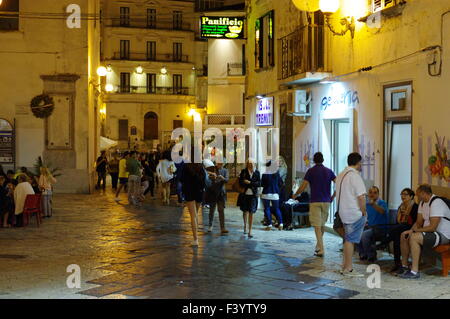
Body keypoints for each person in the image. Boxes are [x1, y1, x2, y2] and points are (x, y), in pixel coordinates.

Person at [398, 184, 450, 279]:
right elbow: (418, 222)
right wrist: (411, 230)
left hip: (444, 235)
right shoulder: (422, 203)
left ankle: (414, 271)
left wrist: (416, 231)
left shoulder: (436, 202)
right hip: (431, 233)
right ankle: (404, 266)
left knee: (414, 237)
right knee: (404, 235)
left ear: (423, 193)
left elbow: (433, 227)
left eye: (418, 194)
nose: (417, 196)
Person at [293, 152, 336, 257]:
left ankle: (321, 249)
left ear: (314, 160)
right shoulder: (329, 171)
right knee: (321, 225)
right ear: (323, 160)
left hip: (315, 201)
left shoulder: (311, 171)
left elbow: (303, 186)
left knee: (317, 226)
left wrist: (295, 195)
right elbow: (338, 183)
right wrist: (333, 196)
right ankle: (318, 246)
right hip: (326, 201)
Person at [335, 152, 367, 277]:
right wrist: (363, 211)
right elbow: (361, 197)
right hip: (354, 213)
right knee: (350, 240)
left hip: (343, 212)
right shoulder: (355, 176)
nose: (361, 165)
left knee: (347, 239)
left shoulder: (341, 174)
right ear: (358, 163)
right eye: (361, 163)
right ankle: (348, 268)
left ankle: (345, 265)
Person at [378, 188, 418, 273]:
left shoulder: (415, 207)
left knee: (396, 230)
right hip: (401, 228)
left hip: (411, 228)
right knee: (396, 238)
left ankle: (384, 243)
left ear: (411, 196)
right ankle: (398, 264)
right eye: (402, 194)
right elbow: (398, 221)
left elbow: (415, 222)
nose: (403, 196)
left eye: (405, 194)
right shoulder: (401, 206)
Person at [358, 186, 389, 262]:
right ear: (368, 194)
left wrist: (374, 205)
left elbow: (382, 211)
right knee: (357, 231)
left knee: (365, 235)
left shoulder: (382, 203)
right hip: (370, 227)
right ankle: (363, 253)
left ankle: (371, 255)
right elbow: (364, 216)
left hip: (380, 229)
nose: (372, 194)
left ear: (378, 194)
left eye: (375, 193)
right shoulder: (367, 204)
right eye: (370, 192)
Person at [180, 162, 207, 247]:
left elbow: (181, 179)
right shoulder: (200, 166)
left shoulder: (186, 166)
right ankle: (196, 238)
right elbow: (204, 180)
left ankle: (196, 239)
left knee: (193, 216)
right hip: (199, 192)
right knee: (195, 215)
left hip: (189, 192)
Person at [204, 160, 229, 235]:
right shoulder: (212, 168)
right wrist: (211, 175)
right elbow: (205, 172)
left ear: (224, 164)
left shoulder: (225, 170)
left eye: (221, 163)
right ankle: (210, 225)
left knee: (221, 210)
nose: (220, 165)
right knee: (212, 209)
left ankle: (222, 228)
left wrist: (222, 178)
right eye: (218, 163)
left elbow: (227, 180)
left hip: (221, 193)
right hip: (213, 192)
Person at [238, 159, 261, 239]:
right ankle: (245, 226)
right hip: (245, 194)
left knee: (251, 212)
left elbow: (259, 184)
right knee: (245, 211)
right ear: (247, 164)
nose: (250, 165)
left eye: (252, 163)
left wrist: (250, 183)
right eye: (249, 163)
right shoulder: (243, 171)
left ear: (254, 164)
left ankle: (250, 230)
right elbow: (240, 182)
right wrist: (246, 183)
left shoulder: (257, 172)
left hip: (253, 195)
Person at [261, 161, 284, 231]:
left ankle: (269, 224)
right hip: (275, 194)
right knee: (277, 209)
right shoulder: (277, 174)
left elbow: (262, 184)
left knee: (267, 209)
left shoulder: (265, 174)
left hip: (266, 193)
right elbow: (281, 183)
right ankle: (281, 224)